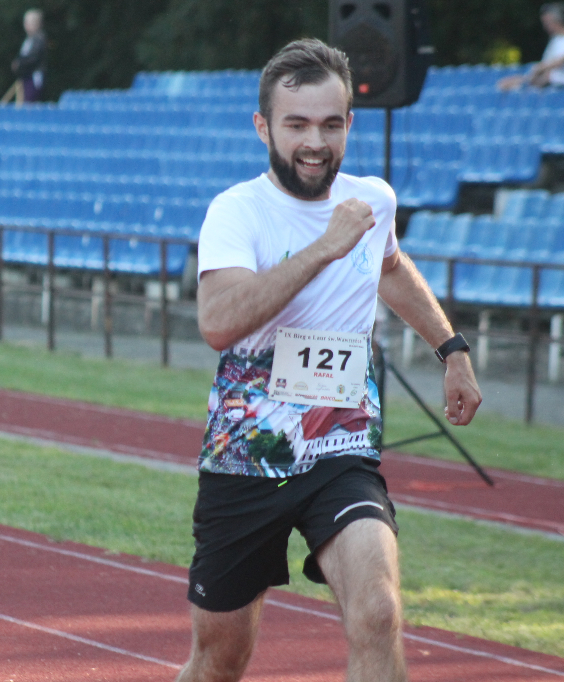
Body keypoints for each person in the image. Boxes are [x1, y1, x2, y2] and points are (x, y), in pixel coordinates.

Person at [176, 39, 481, 682]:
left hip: (340, 450)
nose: (314, 141)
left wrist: (450, 348)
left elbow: (391, 269)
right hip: (246, 457)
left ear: (350, 123)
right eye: (296, 125)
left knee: (377, 612)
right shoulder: (237, 212)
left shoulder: (372, 201)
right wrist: (323, 247)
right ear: (263, 127)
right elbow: (218, 321)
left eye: (330, 123)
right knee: (220, 659)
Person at [498, 3, 564, 90]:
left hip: (557, 83)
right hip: (548, 80)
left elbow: (560, 61)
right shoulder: (555, 40)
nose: (545, 26)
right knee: (506, 83)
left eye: (547, 22)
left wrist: (542, 67)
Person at [11, 9, 47, 103]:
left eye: (30, 23)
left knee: (30, 102)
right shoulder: (28, 40)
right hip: (26, 76)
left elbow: (33, 58)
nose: (26, 25)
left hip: (34, 76)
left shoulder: (39, 39)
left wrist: (20, 64)